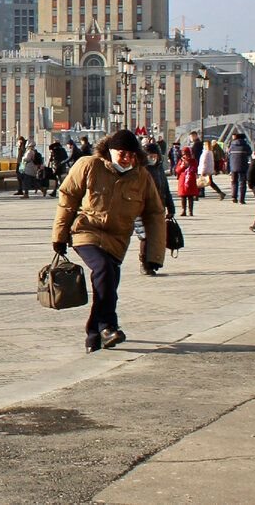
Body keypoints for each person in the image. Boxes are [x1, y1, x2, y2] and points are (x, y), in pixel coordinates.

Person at [52, 130, 166, 353]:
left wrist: (153, 256)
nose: (127, 159)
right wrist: (59, 235)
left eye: (132, 155)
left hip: (117, 239)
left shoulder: (142, 176)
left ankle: (94, 336)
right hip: (86, 231)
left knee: (108, 284)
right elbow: (67, 199)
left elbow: (154, 214)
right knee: (103, 270)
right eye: (122, 154)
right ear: (111, 152)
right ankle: (108, 326)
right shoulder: (89, 165)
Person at [136, 141, 175, 275]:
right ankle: (144, 263)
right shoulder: (141, 170)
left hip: (158, 208)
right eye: (149, 155)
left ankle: (152, 262)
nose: (152, 158)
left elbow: (166, 190)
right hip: (143, 208)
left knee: (155, 237)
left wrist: (171, 207)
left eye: (154, 155)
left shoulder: (159, 170)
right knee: (145, 236)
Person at [228, 132, 252, 204]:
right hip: (243, 166)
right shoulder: (246, 146)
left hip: (233, 166)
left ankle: (234, 197)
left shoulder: (231, 146)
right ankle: (241, 199)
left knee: (234, 182)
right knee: (242, 183)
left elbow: (228, 154)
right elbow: (249, 153)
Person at [175, 146, 198, 217]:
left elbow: (195, 168)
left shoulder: (193, 160)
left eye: (186, 153)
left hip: (190, 179)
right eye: (183, 153)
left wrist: (190, 167)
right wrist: (183, 166)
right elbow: (177, 170)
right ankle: (183, 210)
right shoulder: (181, 160)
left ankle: (191, 211)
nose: (184, 155)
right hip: (182, 180)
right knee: (183, 196)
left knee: (190, 196)